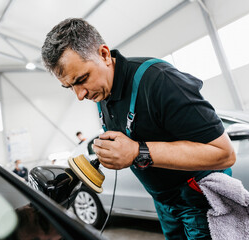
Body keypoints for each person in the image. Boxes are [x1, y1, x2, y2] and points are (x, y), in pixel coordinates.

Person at [41, 18, 236, 239]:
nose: (79, 95)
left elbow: (224, 154)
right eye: (70, 87)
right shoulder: (102, 93)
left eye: (82, 79)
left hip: (201, 204)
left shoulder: (160, 81)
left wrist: (137, 151)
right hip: (164, 203)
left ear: (104, 54)